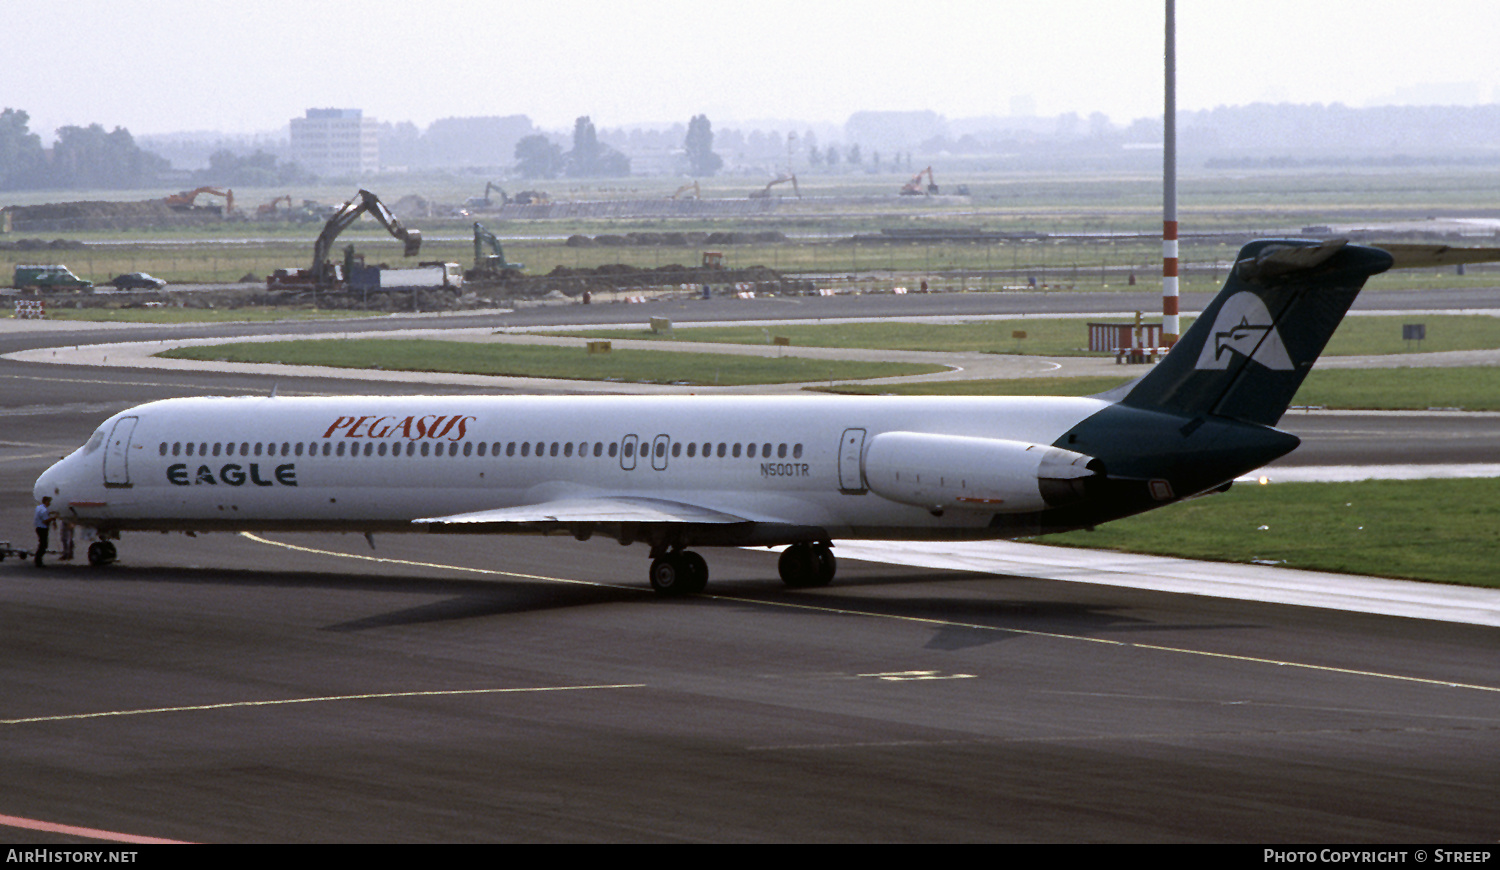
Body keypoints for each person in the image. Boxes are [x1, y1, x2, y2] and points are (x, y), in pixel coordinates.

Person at [33, 497, 53, 568]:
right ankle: (38, 561)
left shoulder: (39, 507)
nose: (50, 503)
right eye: (49, 501)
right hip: (42, 528)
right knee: (43, 545)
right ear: (46, 501)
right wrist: (53, 518)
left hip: (38, 528)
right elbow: (45, 520)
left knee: (42, 544)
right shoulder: (44, 510)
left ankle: (37, 560)